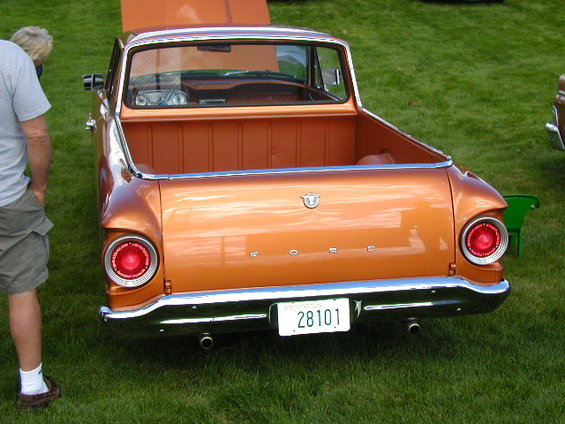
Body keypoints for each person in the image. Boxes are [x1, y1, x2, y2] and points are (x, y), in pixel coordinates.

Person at [0, 39, 61, 411]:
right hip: (7, 196)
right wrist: (39, 187)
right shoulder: (10, 57)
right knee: (21, 288)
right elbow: (36, 133)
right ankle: (33, 386)